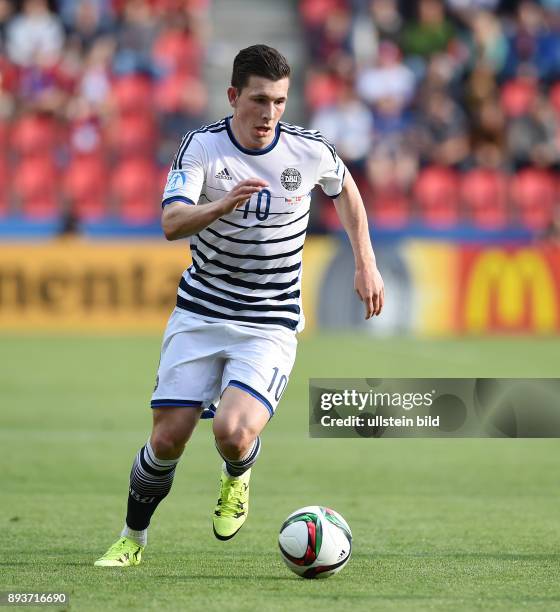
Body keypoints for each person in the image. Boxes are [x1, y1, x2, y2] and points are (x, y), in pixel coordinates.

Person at [94, 44, 384, 567]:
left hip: (269, 319)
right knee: (168, 438)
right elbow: (171, 223)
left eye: (279, 101)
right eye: (258, 100)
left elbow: (345, 190)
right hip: (201, 310)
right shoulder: (201, 149)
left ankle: (237, 473)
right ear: (233, 96)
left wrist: (365, 260)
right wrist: (220, 204)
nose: (269, 114)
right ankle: (131, 540)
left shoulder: (308, 149)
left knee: (231, 431)